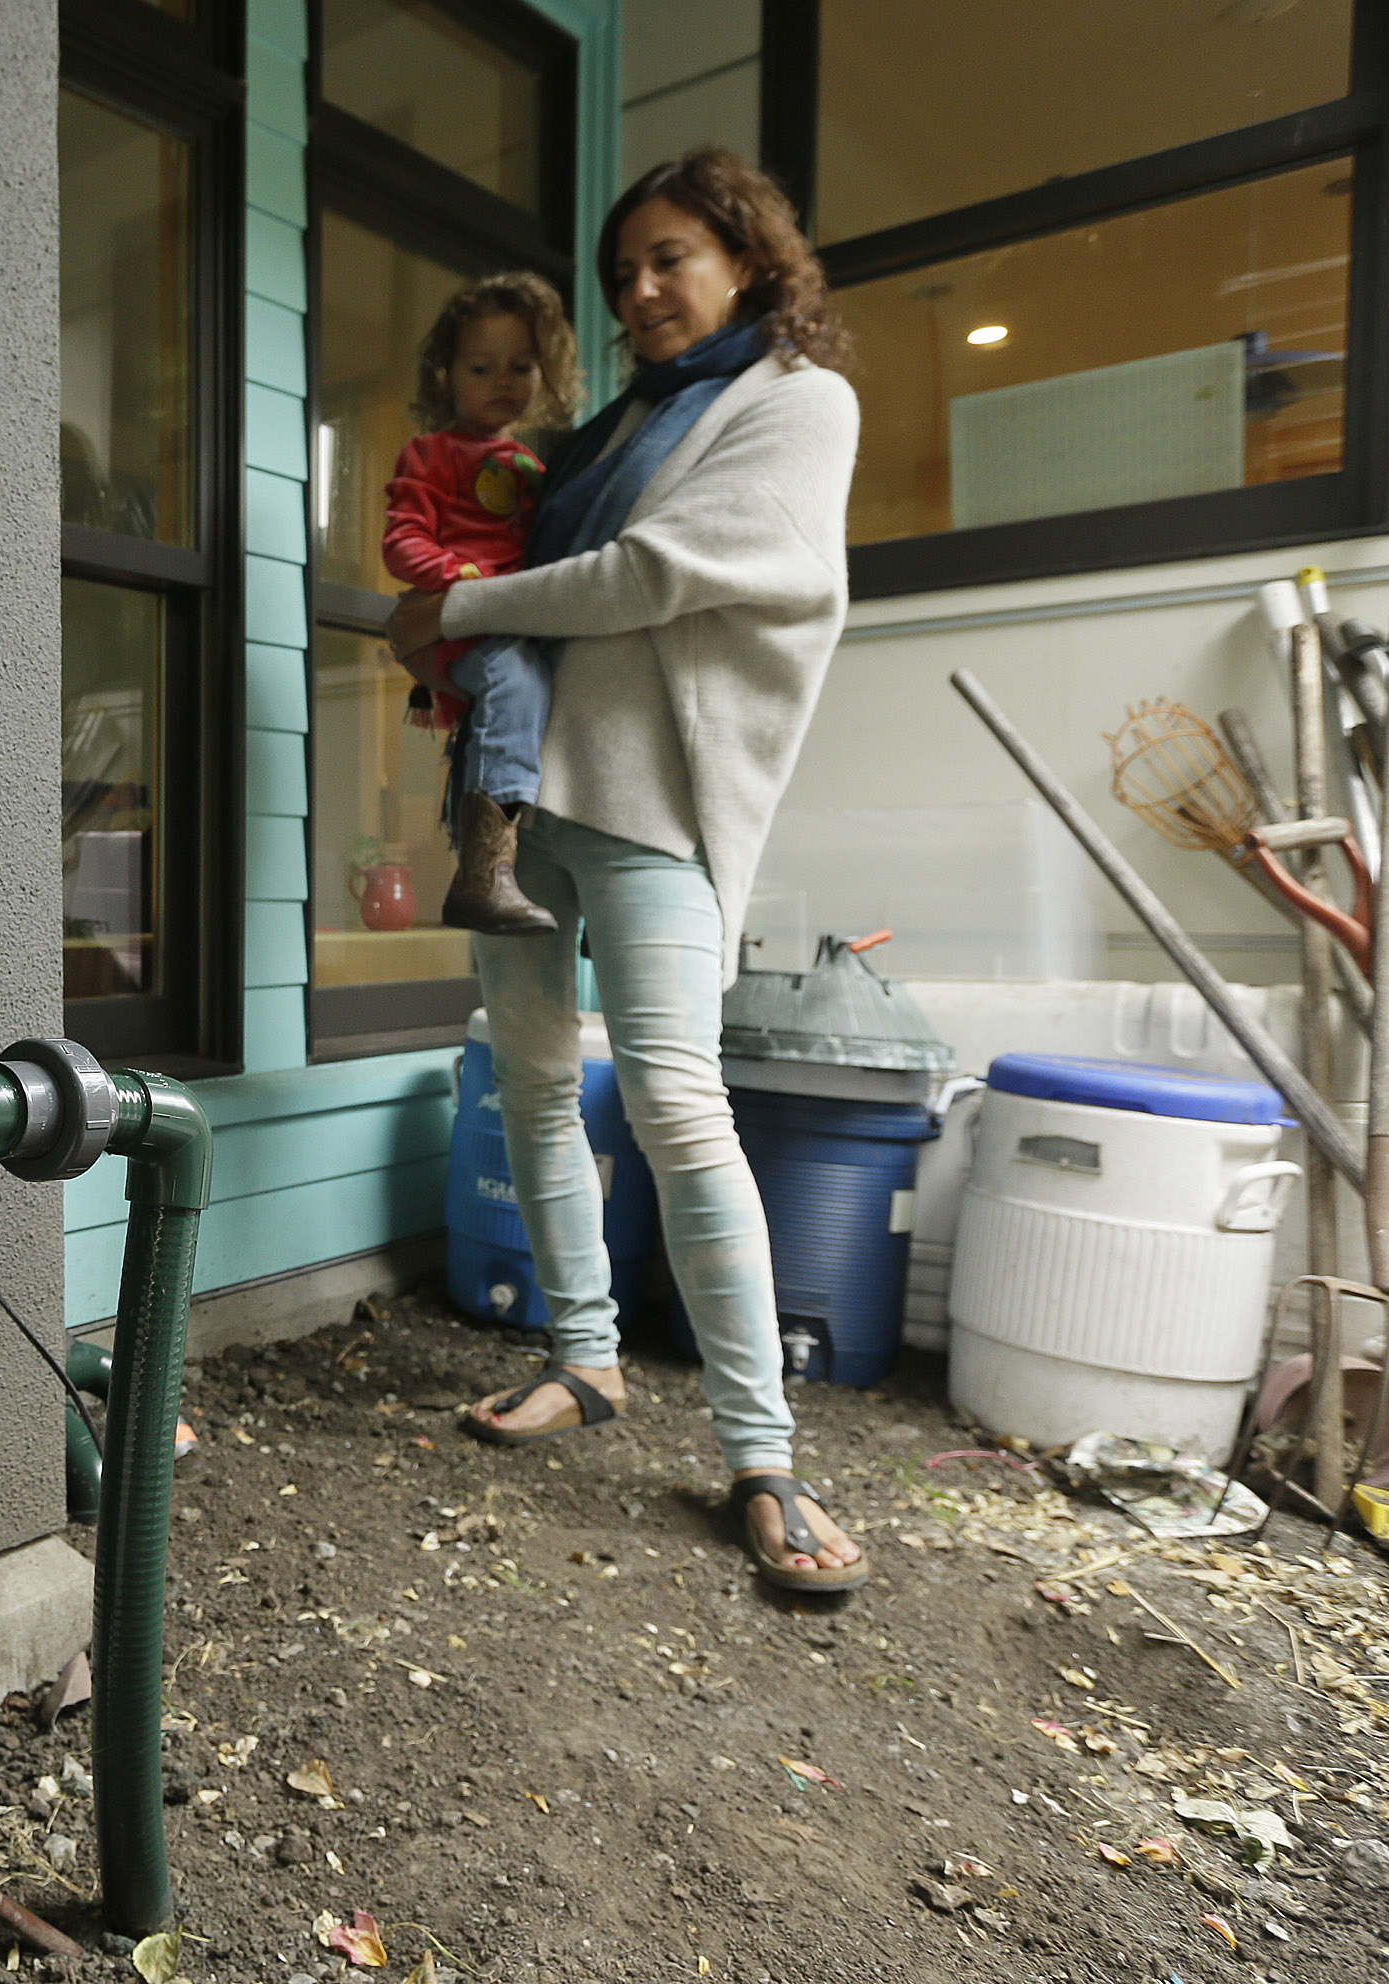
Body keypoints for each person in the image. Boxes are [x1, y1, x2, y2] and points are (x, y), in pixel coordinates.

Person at [385, 146, 867, 1591]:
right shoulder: (609, 427)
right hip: (526, 804)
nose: (644, 290)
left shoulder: (796, 402)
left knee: (670, 1091)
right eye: (625, 273)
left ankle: (763, 1455)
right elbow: (534, 557)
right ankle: (585, 1356)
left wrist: (450, 602)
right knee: (528, 1075)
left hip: (659, 803)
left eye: (672, 258)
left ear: (750, 257)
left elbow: (659, 572)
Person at [380, 273, 584, 935]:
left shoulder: (531, 466)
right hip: (459, 628)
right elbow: (401, 541)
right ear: (446, 376)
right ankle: (484, 872)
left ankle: (513, 863)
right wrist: (457, 578)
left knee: (534, 688)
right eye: (480, 366)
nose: (503, 380)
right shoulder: (432, 453)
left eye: (521, 366)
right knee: (514, 679)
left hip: (508, 625)